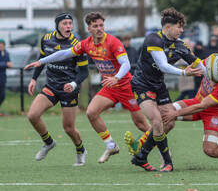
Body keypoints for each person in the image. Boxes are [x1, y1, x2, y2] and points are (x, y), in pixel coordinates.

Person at [25, 12, 151, 164]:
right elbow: (64, 53)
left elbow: (126, 64)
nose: (99, 28)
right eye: (95, 26)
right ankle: (111, 145)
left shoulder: (113, 42)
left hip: (126, 87)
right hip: (108, 88)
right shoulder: (86, 44)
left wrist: (116, 77)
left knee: (141, 124)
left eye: (101, 25)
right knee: (91, 112)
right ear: (89, 28)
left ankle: (164, 149)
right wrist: (41, 62)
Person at [126, 7, 202, 172]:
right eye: (179, 27)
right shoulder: (153, 39)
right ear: (168, 27)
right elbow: (163, 65)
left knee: (170, 121)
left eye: (182, 27)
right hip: (142, 84)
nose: (182, 30)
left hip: (159, 86)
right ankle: (168, 163)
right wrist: (184, 72)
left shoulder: (180, 46)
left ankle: (141, 156)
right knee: (157, 121)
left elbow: (200, 65)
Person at [26, 13, 89, 166]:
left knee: (68, 128)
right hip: (51, 87)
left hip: (69, 90)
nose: (68, 26)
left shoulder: (77, 44)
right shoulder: (46, 39)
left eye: (70, 23)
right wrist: (34, 79)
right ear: (57, 25)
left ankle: (80, 150)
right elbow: (41, 60)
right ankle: (48, 143)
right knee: (32, 115)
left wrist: (74, 84)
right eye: (65, 23)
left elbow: (84, 71)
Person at [0, 39, 13, 114]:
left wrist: (8, 64)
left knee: (2, 96)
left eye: (2, 44)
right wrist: (5, 64)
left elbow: (10, 63)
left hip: (2, 78)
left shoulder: (6, 53)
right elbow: (6, 64)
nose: (1, 46)